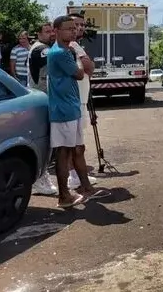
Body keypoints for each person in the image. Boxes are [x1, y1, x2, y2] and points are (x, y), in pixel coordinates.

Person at [47, 15, 109, 207]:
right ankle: (64, 196)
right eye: (68, 28)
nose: (73, 31)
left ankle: (86, 188)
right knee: (64, 153)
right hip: (63, 110)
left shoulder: (67, 51)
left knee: (78, 149)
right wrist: (77, 58)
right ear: (56, 31)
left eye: (74, 28)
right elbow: (81, 73)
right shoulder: (59, 53)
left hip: (72, 107)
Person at [67, 12, 98, 190]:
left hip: (79, 101)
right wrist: (89, 64)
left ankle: (76, 176)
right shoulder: (72, 45)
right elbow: (89, 68)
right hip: (74, 101)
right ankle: (74, 178)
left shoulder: (76, 45)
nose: (80, 28)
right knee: (74, 144)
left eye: (82, 25)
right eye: (76, 25)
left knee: (77, 142)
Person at [29, 21, 59, 196]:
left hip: (45, 99)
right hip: (41, 99)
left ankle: (42, 175)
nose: (50, 34)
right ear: (39, 34)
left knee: (50, 140)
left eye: (51, 31)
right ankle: (40, 179)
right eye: (47, 31)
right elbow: (57, 56)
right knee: (45, 140)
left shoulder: (42, 48)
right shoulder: (41, 49)